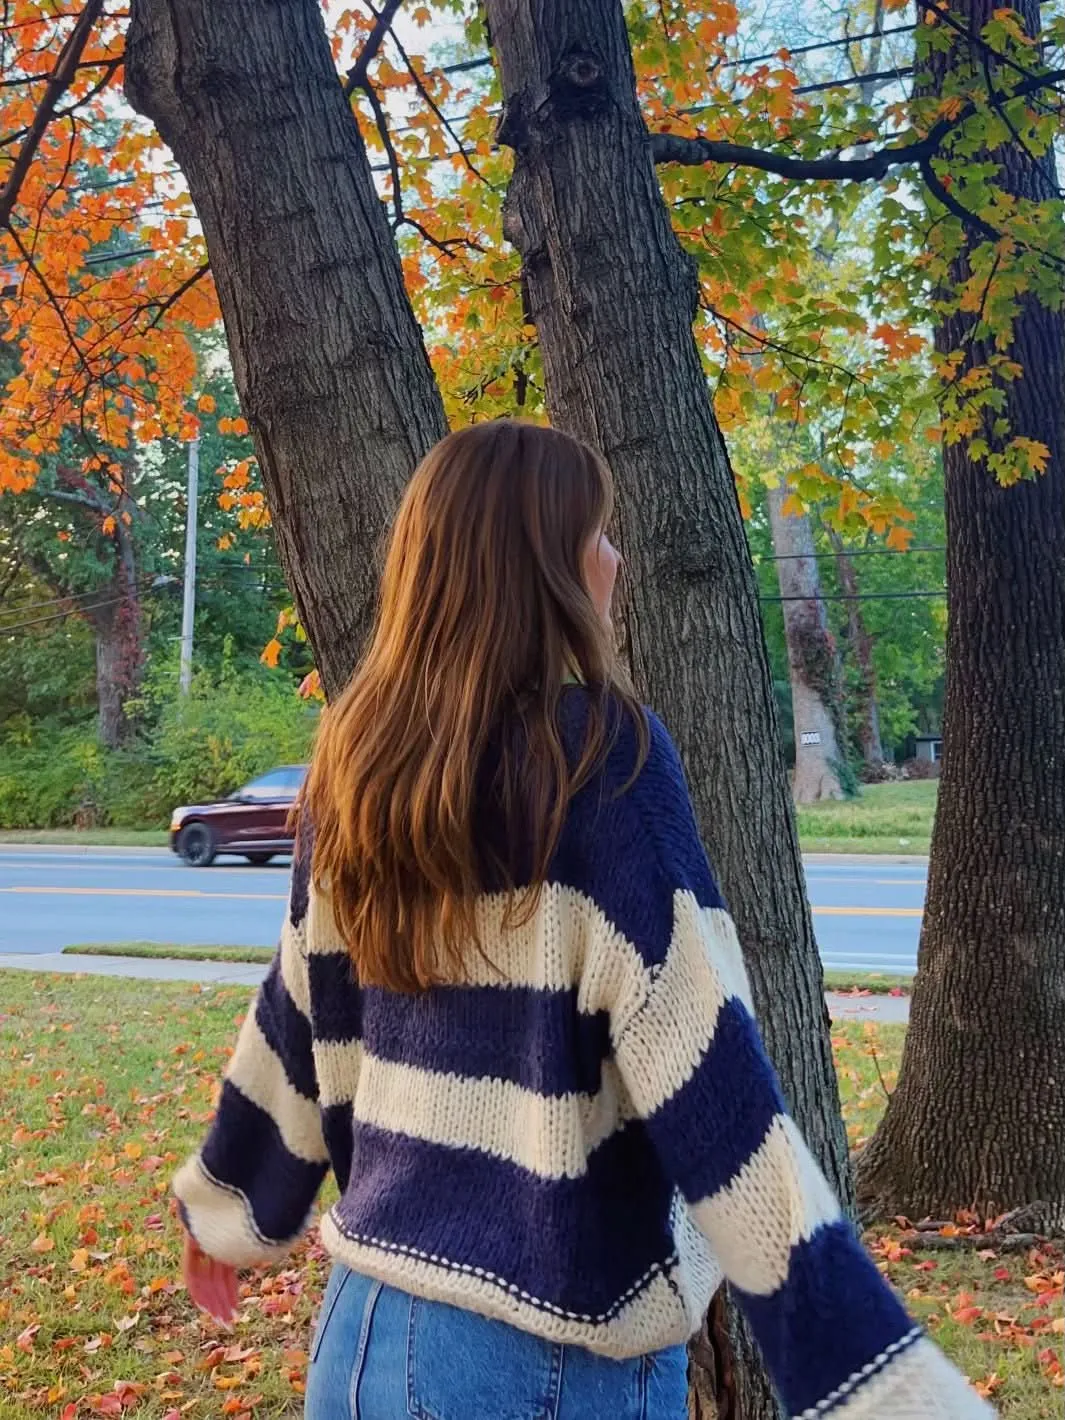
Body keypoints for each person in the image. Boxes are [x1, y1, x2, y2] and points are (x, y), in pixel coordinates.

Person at [175, 420, 992, 1419]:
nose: (617, 560)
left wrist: (224, 1204)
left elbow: (297, 1021)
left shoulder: (359, 761)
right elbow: (710, 1077)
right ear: (544, 564)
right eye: (597, 534)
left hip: (363, 1335)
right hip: (539, 1356)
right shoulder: (602, 760)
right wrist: (880, 1380)